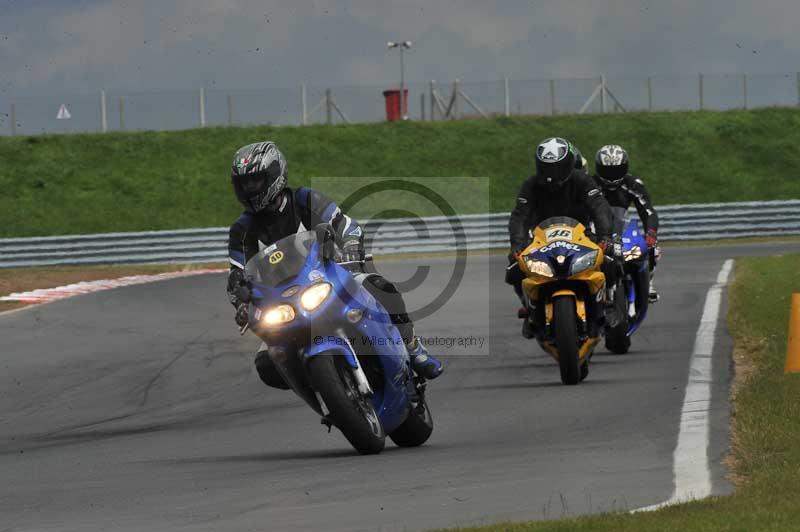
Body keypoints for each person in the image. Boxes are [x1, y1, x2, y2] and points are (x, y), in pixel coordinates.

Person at [226, 141, 444, 388]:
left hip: (335, 278)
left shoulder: (305, 199)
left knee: (379, 286)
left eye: (254, 181)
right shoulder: (241, 230)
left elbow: (346, 226)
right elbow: (237, 276)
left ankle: (413, 348)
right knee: (266, 364)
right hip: (284, 304)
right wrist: (242, 302)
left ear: (275, 174)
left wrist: (350, 249)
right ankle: (326, 390)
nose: (249, 189)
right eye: (243, 184)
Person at [506, 137, 621, 337]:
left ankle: (607, 300)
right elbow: (520, 215)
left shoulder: (582, 180)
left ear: (568, 164)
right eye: (547, 168)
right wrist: (518, 244)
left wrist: (605, 236)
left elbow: (599, 206)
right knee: (514, 266)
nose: (552, 174)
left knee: (612, 257)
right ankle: (529, 308)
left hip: (581, 234)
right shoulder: (531, 185)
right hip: (542, 237)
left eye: (557, 168)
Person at [592, 144, 660, 303]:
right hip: (596, 231)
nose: (611, 176)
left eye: (616, 170)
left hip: (621, 229)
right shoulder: (590, 184)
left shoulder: (633, 184)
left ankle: (648, 282)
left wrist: (650, 233)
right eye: (607, 171)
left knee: (653, 248)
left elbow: (648, 211)